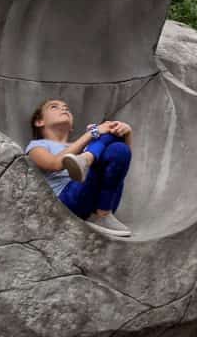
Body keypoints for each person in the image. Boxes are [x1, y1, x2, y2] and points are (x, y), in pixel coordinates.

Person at [26, 98, 133, 238]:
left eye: (66, 108)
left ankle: (103, 213)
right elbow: (55, 164)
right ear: (39, 122)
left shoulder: (86, 145)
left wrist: (127, 132)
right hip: (68, 204)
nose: (64, 109)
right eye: (54, 107)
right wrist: (92, 133)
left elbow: (121, 163)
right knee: (107, 137)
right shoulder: (37, 146)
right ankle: (87, 160)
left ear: (71, 127)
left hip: (102, 202)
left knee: (118, 146)